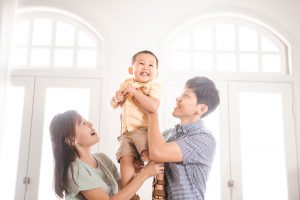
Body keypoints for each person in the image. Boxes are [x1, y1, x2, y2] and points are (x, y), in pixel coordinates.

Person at [49, 110, 163, 200]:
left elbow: (120, 191)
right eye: (83, 123)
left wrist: (135, 173)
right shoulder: (75, 170)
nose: (90, 124)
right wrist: (144, 174)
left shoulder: (103, 158)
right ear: (71, 140)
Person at [147, 76, 220, 200]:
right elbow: (146, 153)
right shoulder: (169, 134)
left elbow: (158, 152)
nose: (178, 98)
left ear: (201, 108)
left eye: (186, 95)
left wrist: (151, 111)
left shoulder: (204, 139)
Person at [110, 50, 165, 199]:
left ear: (156, 73)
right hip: (125, 132)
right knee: (124, 159)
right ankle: (131, 194)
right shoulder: (126, 83)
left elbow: (153, 106)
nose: (146, 67)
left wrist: (135, 92)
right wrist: (117, 98)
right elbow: (114, 104)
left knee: (150, 155)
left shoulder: (154, 86)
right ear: (131, 70)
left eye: (151, 65)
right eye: (141, 63)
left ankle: (160, 180)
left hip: (142, 129)